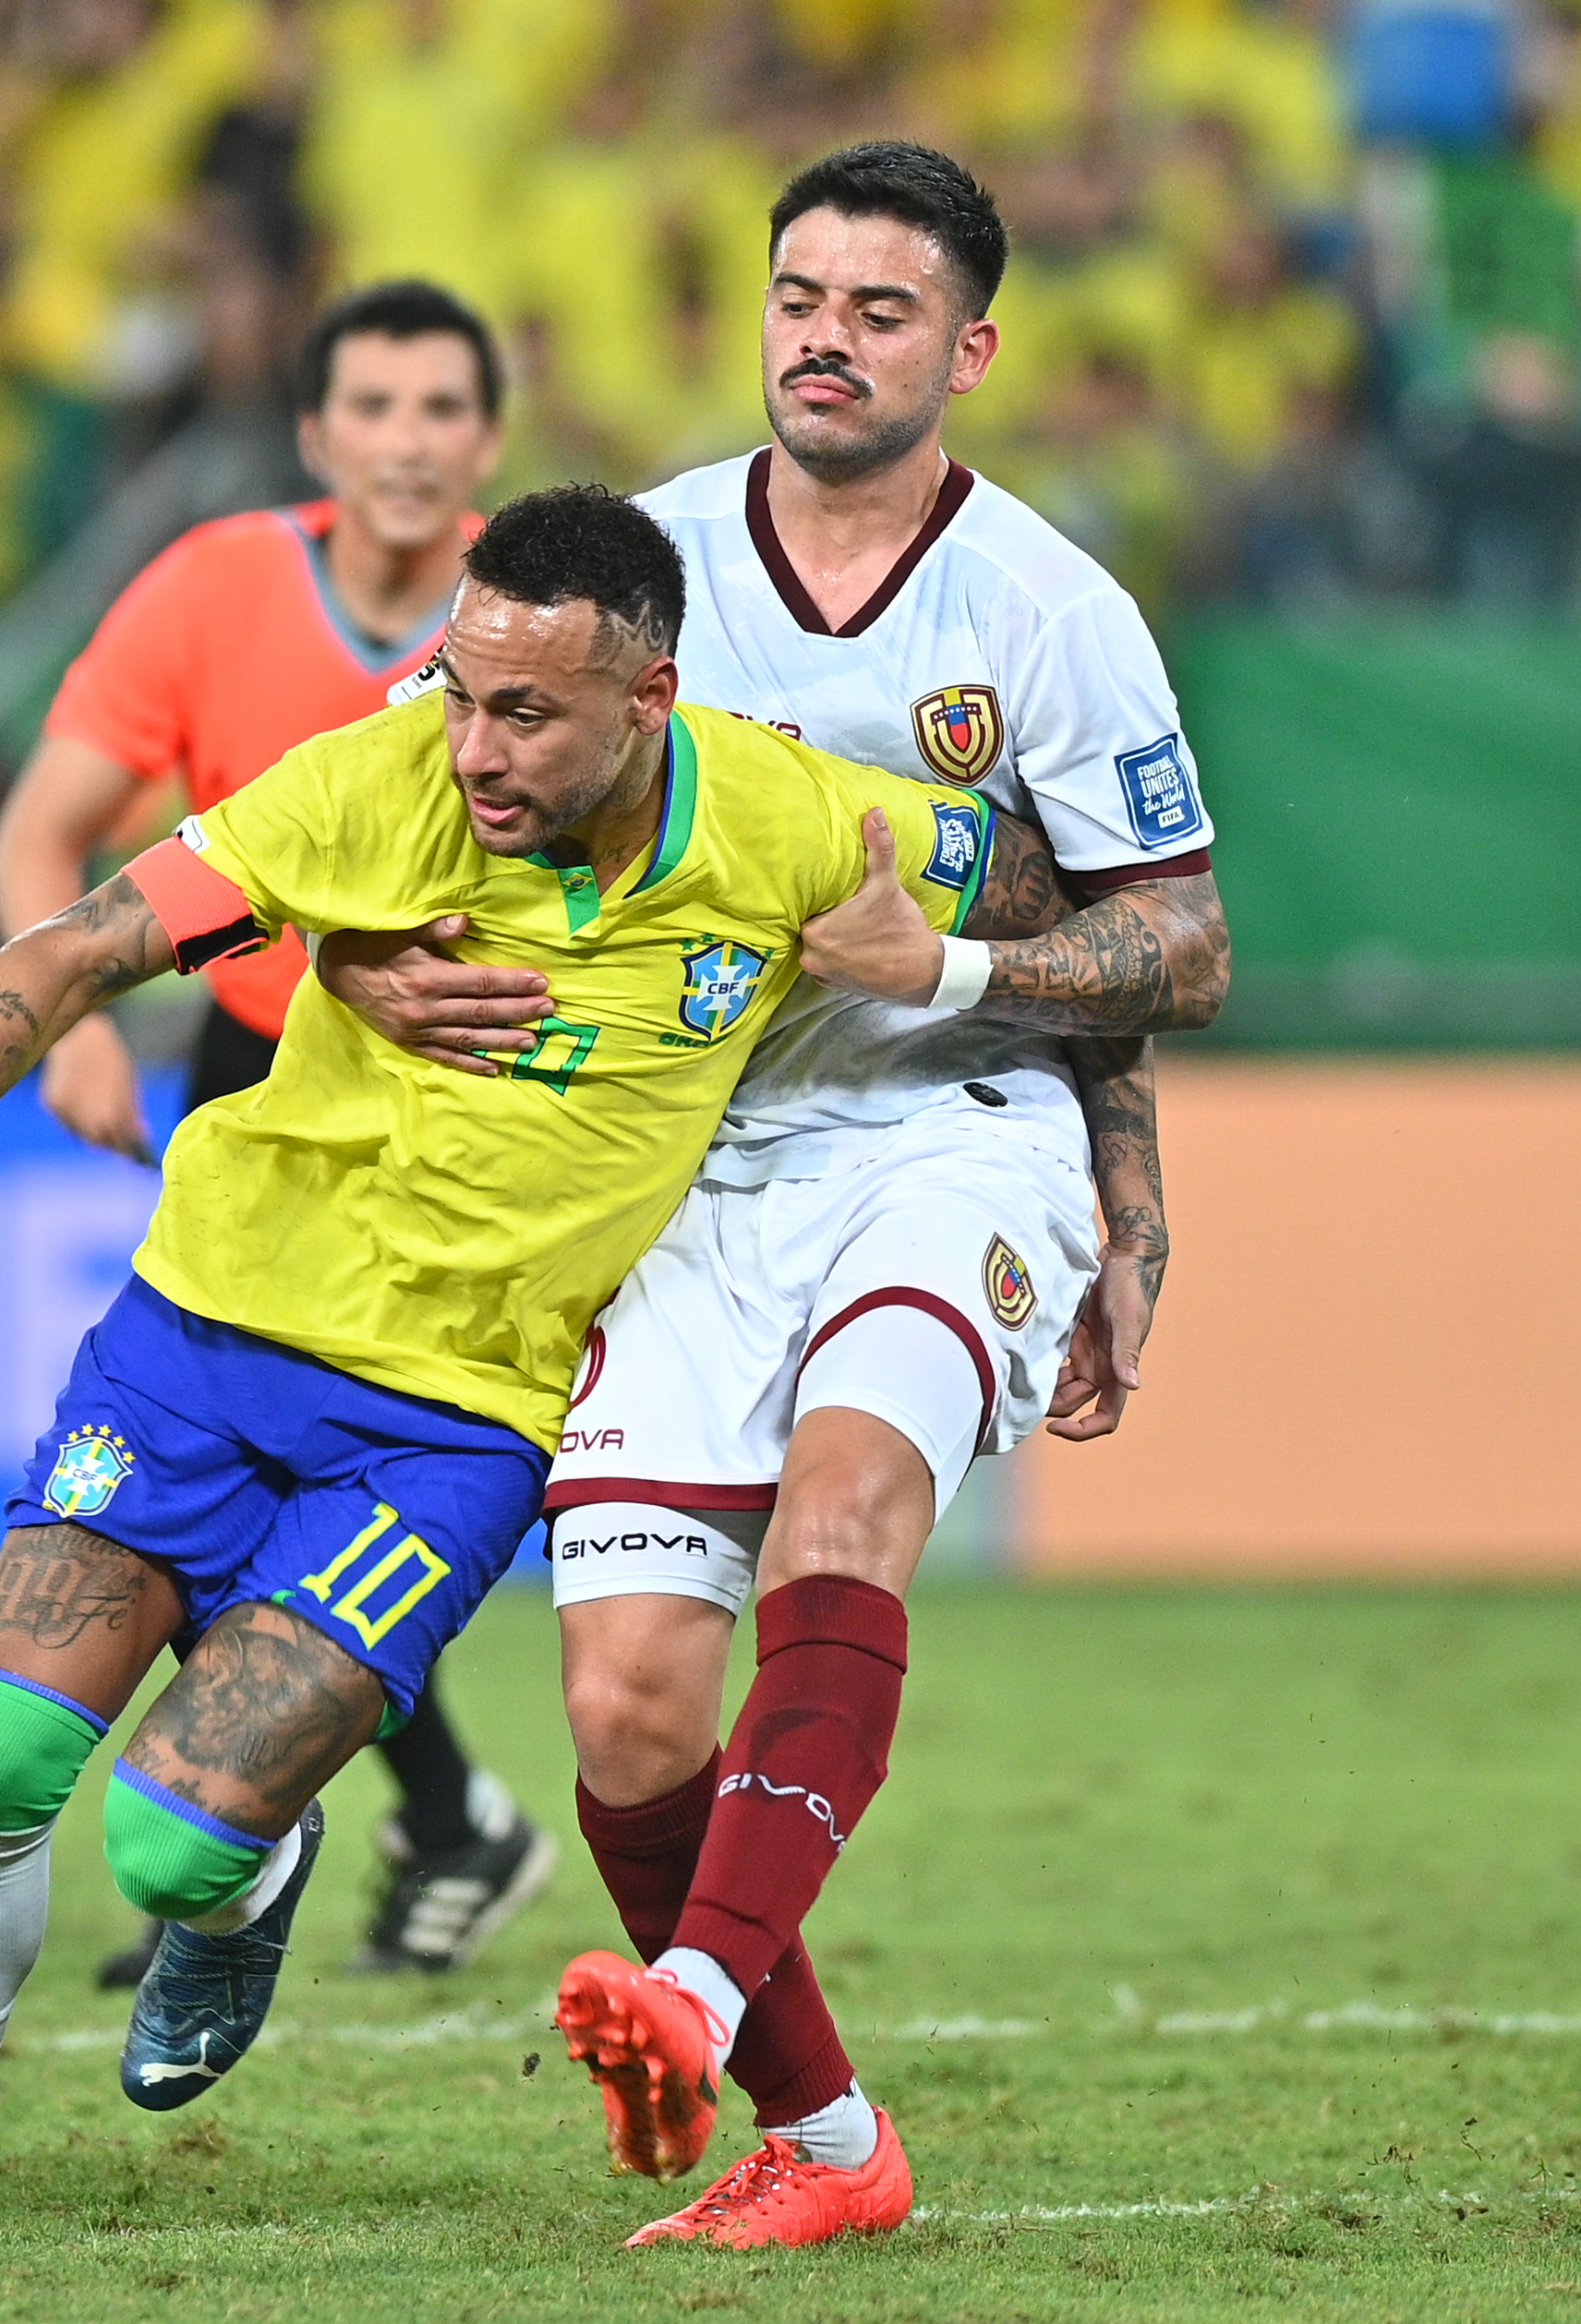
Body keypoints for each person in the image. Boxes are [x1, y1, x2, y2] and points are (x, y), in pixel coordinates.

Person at [0, 482, 1056, 2252]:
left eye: (524, 713)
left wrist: (968, 977)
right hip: (197, 1340)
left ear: (650, 703)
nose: (472, 745)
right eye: (457, 688)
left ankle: (248, 1879)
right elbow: (79, 941)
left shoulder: (796, 818)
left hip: (447, 1427)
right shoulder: (372, 790)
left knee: (170, 1851)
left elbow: (1044, 874)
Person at [317, 141, 1233, 2251]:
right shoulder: (636, 563)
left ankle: (694, 1992)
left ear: (970, 349)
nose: (825, 336)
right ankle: (827, 2147)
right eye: (799, 296)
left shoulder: (1049, 611)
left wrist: (988, 1004)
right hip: (672, 1161)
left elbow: (1177, 938)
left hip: (947, 1127)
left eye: (879, 308)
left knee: (847, 1505)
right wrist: (360, 952)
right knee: (628, 1701)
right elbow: (390, 789)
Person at [0, 279, 556, 1986]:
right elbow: (43, 832)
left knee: (357, 1492)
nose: (405, 440)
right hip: (265, 1092)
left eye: (440, 409)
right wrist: (71, 1015)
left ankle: (333, 1824)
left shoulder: (533, 629)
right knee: (236, 1477)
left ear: (487, 444)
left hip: (498, 1111)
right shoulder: (217, 583)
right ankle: (372, 1826)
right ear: (316, 437)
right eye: (371, 406)